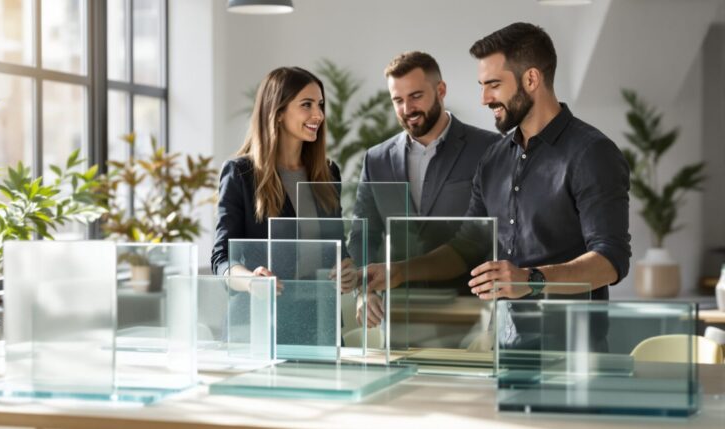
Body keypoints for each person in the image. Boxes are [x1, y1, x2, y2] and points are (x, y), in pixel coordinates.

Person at [365, 23, 632, 342]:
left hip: (572, 351)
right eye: (482, 85)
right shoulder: (494, 159)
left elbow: (610, 260)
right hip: (503, 345)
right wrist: (400, 271)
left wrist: (531, 280)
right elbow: (465, 247)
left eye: (493, 84)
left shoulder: (591, 152)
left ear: (531, 79)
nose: (484, 98)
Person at [210, 67, 355, 344]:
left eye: (320, 105)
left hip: (320, 322)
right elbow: (221, 259)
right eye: (306, 105)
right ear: (277, 112)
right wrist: (252, 280)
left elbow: (337, 247)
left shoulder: (328, 173)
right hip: (257, 326)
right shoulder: (240, 173)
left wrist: (346, 269)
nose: (319, 115)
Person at [353, 52, 499, 327]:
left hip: (471, 313)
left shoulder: (488, 149)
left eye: (416, 96)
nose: (407, 108)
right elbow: (363, 235)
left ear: (440, 90)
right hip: (397, 316)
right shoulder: (376, 159)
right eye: (398, 100)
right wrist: (364, 291)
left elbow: (493, 235)